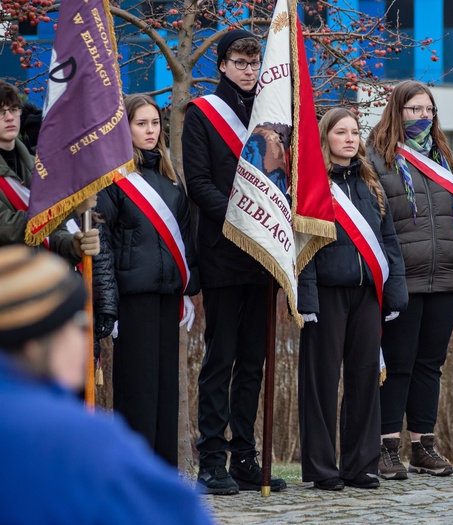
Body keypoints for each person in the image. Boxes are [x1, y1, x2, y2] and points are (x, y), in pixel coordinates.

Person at [0, 245, 214, 525]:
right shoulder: (79, 440)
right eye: (78, 321)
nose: (85, 334)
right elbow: (184, 515)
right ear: (34, 341)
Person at [182, 29, 285, 494]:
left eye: (253, 62)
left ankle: (245, 454)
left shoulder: (272, 115)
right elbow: (199, 183)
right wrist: (243, 219)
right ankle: (212, 459)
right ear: (222, 65)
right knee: (220, 358)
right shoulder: (202, 114)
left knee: (254, 359)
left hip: (265, 256)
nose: (247, 69)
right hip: (225, 251)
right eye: (239, 62)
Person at [367, 80, 453, 479]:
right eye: (415, 109)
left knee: (430, 365)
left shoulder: (445, 162)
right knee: (397, 365)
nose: (423, 117)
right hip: (403, 280)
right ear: (398, 111)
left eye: (429, 110)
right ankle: (386, 448)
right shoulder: (377, 159)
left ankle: (423, 445)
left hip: (446, 279)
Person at [298, 108, 408, 491]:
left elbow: (387, 240)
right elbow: (303, 247)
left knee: (364, 379)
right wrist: (306, 298)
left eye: (354, 132)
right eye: (340, 132)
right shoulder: (312, 184)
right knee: (321, 383)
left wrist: (394, 291)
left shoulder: (369, 181)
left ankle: (360, 464)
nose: (349, 138)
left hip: (366, 294)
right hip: (326, 294)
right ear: (325, 137)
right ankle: (321, 468)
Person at [92, 94, 200, 466]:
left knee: (165, 390)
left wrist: (187, 291)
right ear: (125, 128)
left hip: (167, 297)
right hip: (132, 299)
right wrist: (108, 302)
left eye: (155, 123)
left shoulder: (171, 183)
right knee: (138, 393)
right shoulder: (113, 180)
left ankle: (164, 474)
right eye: (141, 124)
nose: (150, 131)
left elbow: (185, 241)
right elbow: (101, 243)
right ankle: (133, 473)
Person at [0, 80, 99, 261]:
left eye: (14, 110)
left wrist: (73, 246)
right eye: (1, 112)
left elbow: (52, 234)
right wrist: (68, 207)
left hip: (39, 280)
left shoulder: (36, 165)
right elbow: (7, 228)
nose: (9, 117)